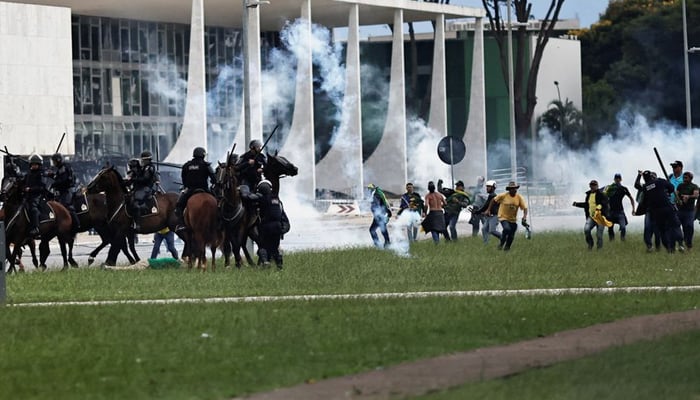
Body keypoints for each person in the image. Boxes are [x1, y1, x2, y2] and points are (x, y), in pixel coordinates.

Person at [641, 170, 684, 253]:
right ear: (651, 176)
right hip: (667, 208)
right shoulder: (660, 182)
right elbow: (671, 188)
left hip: (656, 212)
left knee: (662, 230)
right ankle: (680, 244)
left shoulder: (645, 188)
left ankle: (669, 249)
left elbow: (645, 202)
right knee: (675, 225)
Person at [247, 180, 285, 268]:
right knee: (275, 248)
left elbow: (249, 198)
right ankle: (279, 265)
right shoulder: (277, 199)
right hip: (278, 227)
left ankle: (265, 262)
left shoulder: (261, 199)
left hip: (266, 226)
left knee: (262, 245)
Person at [175, 147, 217, 219]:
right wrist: (213, 182)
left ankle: (181, 224)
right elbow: (214, 179)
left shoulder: (187, 165)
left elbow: (184, 178)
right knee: (218, 202)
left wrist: (186, 186)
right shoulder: (206, 165)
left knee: (179, 206)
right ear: (203, 155)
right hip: (204, 189)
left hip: (190, 190)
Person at [486, 181, 527, 251]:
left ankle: (506, 249)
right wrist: (488, 210)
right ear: (509, 189)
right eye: (512, 188)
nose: (514, 190)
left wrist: (524, 217)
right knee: (507, 229)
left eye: (515, 188)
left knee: (511, 235)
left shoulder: (519, 197)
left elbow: (525, 208)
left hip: (513, 219)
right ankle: (502, 242)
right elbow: (493, 200)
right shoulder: (503, 196)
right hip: (503, 217)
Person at [46, 153, 80, 232]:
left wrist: (54, 183)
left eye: (54, 161)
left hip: (68, 189)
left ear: (58, 161)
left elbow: (64, 180)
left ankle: (77, 224)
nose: (53, 163)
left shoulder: (64, 167)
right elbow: (59, 177)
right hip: (63, 190)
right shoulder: (61, 168)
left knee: (67, 206)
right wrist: (53, 175)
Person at [573, 180, 610, 250]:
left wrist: (599, 207)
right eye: (591, 185)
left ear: (597, 186)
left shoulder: (602, 194)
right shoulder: (588, 195)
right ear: (590, 186)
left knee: (599, 235)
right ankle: (590, 244)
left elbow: (604, 203)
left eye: (594, 185)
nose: (592, 186)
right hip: (591, 217)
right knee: (586, 229)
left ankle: (599, 248)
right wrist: (577, 204)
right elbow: (586, 205)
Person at [130, 150, 159, 230]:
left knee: (136, 204)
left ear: (147, 160)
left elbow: (145, 179)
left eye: (143, 160)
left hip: (146, 188)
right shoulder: (144, 167)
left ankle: (138, 224)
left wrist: (135, 179)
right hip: (140, 187)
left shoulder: (149, 167)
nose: (142, 161)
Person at [604, 173, 635, 241]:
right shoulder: (610, 188)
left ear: (620, 179)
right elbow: (604, 197)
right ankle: (612, 241)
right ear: (614, 179)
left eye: (618, 179)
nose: (617, 180)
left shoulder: (623, 189)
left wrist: (633, 209)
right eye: (616, 179)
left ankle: (622, 239)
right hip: (611, 211)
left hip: (620, 211)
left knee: (623, 227)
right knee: (610, 227)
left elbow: (631, 198)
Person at [24, 154, 46, 237]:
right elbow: (24, 181)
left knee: (33, 209)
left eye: (35, 164)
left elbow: (42, 187)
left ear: (39, 165)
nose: (33, 166)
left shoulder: (41, 174)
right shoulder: (29, 174)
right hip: (28, 195)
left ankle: (36, 228)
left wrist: (31, 189)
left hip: (38, 195)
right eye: (32, 164)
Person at [676, 171, 699, 250]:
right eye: (683, 177)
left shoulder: (694, 186)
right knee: (676, 225)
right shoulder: (680, 185)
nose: (684, 179)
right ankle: (680, 243)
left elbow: (696, 195)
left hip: (689, 211)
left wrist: (688, 196)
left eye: (686, 178)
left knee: (689, 226)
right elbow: (676, 194)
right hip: (680, 210)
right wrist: (679, 200)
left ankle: (688, 243)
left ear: (690, 178)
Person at [474, 180, 501, 244]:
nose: (487, 188)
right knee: (484, 229)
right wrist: (479, 211)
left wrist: (478, 211)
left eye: (489, 187)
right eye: (487, 187)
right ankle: (486, 244)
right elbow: (486, 206)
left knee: (492, 230)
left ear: (493, 187)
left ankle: (503, 237)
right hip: (490, 216)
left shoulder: (493, 195)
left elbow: (485, 206)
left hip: (494, 216)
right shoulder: (491, 195)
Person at [367, 183, 392, 248]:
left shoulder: (376, 195)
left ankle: (378, 244)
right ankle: (387, 242)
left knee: (372, 230)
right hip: (382, 214)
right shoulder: (379, 193)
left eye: (370, 189)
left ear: (373, 189)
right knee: (382, 229)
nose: (369, 191)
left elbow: (376, 205)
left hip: (380, 215)